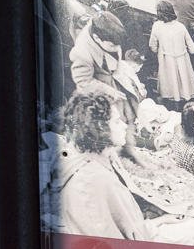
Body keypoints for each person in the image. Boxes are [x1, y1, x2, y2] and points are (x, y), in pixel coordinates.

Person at [51, 89, 146, 239]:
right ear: (99, 129)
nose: (124, 125)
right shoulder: (93, 177)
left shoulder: (101, 158)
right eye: (116, 121)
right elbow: (124, 241)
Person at [149, 0, 194, 102]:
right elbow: (193, 49)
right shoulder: (180, 26)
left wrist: (159, 50)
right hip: (182, 60)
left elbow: (152, 46)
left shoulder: (157, 26)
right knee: (184, 84)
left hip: (166, 61)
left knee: (169, 85)